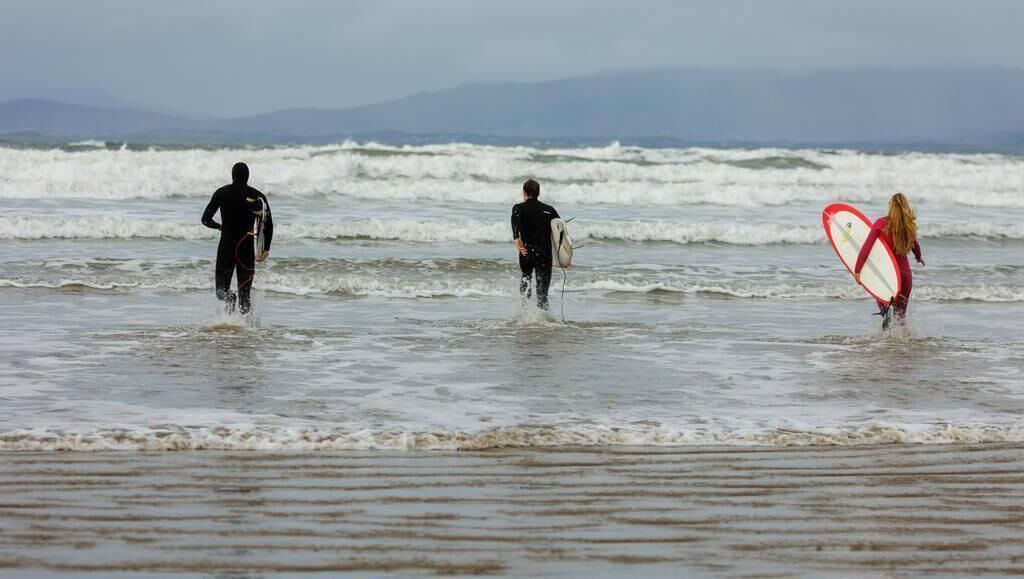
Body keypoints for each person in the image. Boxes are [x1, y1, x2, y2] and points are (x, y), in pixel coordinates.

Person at [201, 162, 273, 314]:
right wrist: (265, 248)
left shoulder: (221, 192)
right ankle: (247, 331)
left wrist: (219, 226)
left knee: (221, 291)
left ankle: (229, 299)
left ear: (232, 176)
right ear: (247, 177)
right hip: (246, 247)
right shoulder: (257, 196)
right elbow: (268, 224)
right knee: (245, 296)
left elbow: (205, 219)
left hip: (226, 247)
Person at [854, 192, 924, 329]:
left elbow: (866, 248)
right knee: (901, 317)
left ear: (891, 206)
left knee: (886, 312)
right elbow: (915, 245)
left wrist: (858, 270)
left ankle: (886, 341)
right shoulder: (909, 226)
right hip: (905, 276)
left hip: (887, 275)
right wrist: (918, 257)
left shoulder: (881, 224)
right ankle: (901, 345)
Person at [511, 178, 560, 309]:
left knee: (526, 277)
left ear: (524, 192)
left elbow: (515, 218)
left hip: (526, 252)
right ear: (538, 193)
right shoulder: (550, 210)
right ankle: (543, 320)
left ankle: (524, 313)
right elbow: (560, 233)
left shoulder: (519, 208)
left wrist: (516, 238)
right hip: (544, 254)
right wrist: (564, 257)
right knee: (542, 293)